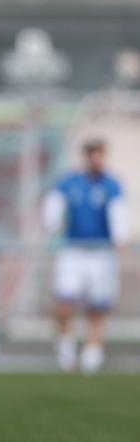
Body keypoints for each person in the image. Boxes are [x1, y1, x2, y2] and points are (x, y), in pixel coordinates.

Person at [42, 138, 128, 373]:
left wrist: (121, 239)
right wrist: (52, 223)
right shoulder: (69, 182)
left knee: (97, 305)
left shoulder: (111, 184)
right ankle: (65, 345)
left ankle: (93, 351)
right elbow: (53, 209)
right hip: (73, 250)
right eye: (94, 154)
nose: (98, 159)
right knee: (64, 300)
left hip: (101, 252)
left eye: (101, 154)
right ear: (86, 156)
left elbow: (118, 217)